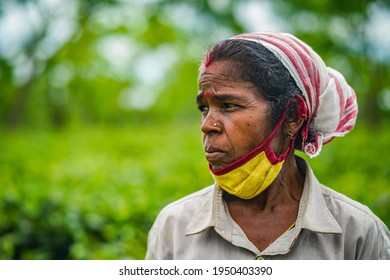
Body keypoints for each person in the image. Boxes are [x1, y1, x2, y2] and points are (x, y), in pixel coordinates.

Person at [145, 32, 390, 259]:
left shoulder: (358, 233)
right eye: (204, 108)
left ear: (292, 116)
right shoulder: (174, 227)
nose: (207, 125)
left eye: (229, 105)